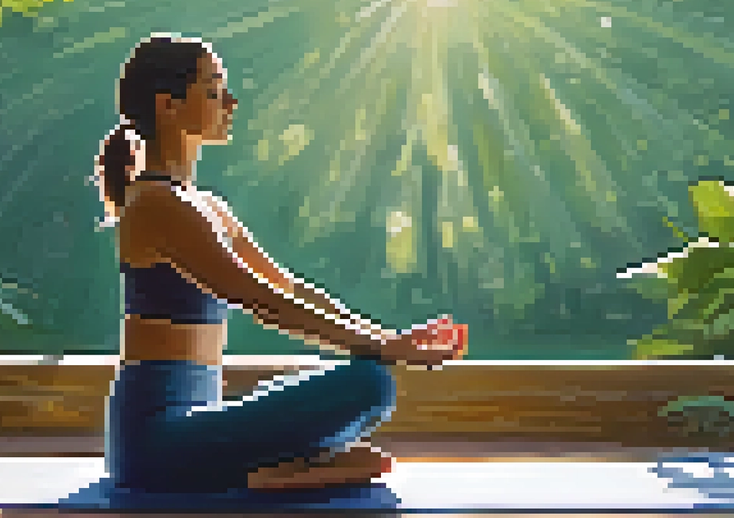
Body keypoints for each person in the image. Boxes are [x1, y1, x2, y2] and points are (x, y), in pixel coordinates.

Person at [93, 33, 467, 493]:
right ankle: (256, 475)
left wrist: (390, 338)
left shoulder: (206, 206)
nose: (230, 102)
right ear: (168, 105)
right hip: (155, 443)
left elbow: (288, 288)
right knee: (368, 386)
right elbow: (261, 300)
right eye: (212, 91)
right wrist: (386, 348)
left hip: (195, 427)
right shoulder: (157, 205)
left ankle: (263, 472)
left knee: (367, 394)